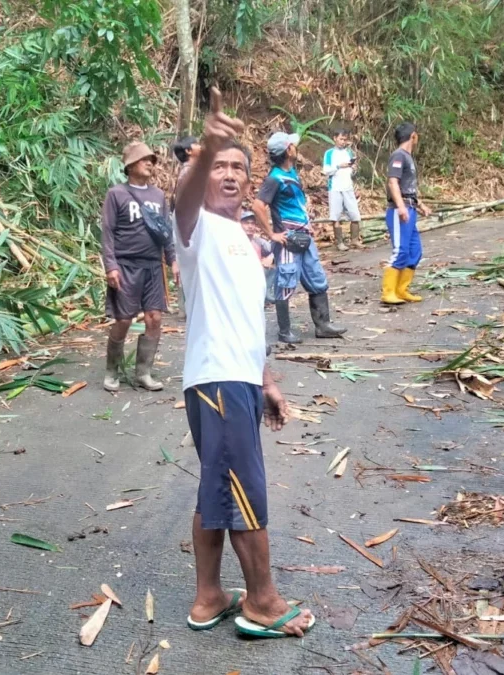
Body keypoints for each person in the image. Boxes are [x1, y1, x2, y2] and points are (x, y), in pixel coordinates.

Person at [173, 86, 315, 640]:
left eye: (237, 166)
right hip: (216, 380)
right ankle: (261, 601)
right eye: (220, 166)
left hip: (237, 379)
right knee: (245, 492)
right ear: (204, 171)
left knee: (216, 487)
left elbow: (244, 322)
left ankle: (209, 596)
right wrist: (204, 149)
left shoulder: (242, 237)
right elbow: (182, 200)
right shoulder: (197, 228)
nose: (229, 174)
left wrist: (267, 381)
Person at [252, 132, 346, 344]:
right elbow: (258, 206)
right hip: (288, 239)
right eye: (293, 144)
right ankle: (284, 331)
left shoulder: (291, 173)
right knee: (286, 281)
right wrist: (272, 235)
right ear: (288, 150)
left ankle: (323, 325)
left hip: (304, 236)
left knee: (316, 279)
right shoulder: (274, 178)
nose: (296, 146)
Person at [101, 142, 178, 393]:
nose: (150, 163)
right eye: (145, 159)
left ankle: (144, 372)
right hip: (125, 265)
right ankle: (112, 370)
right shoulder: (116, 194)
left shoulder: (157, 196)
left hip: (153, 266)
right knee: (123, 319)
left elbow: (165, 232)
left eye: (151, 160)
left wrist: (172, 260)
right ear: (131, 165)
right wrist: (111, 265)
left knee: (154, 318)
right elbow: (108, 232)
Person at [382, 122, 432, 305]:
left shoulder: (408, 157)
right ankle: (388, 292)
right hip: (398, 211)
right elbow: (393, 182)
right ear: (413, 136)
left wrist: (420, 206)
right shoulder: (398, 155)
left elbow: (408, 189)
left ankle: (402, 290)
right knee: (400, 250)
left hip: (410, 208)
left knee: (415, 251)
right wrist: (401, 206)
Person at [322, 128, 361, 251]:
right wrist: (339, 166)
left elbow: (352, 172)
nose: (343, 142)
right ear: (335, 138)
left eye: (345, 139)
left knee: (354, 213)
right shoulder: (329, 153)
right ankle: (339, 242)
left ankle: (354, 240)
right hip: (335, 187)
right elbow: (326, 170)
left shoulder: (349, 152)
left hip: (348, 186)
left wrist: (353, 168)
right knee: (336, 215)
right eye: (341, 139)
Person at [241, 210, 275, 305]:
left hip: (257, 276)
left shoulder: (259, 242)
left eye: (252, 223)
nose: (250, 226)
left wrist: (270, 257)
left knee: (273, 265)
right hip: (240, 276)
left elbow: (276, 251)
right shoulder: (234, 242)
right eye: (246, 223)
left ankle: (267, 293)